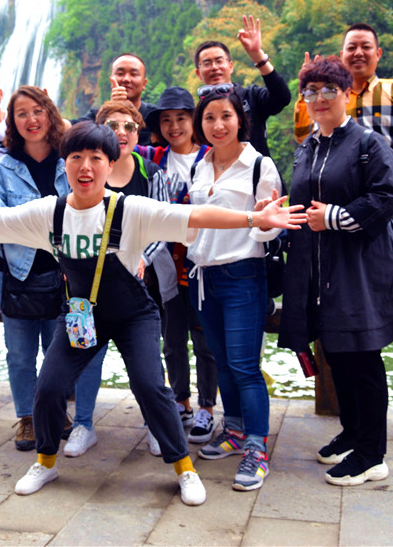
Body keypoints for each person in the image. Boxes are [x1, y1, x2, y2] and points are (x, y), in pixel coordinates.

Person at [0, 120, 307, 505]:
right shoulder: (49, 212)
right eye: (76, 157)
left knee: (151, 387)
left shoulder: (130, 209)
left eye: (96, 158)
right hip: (82, 316)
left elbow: (195, 216)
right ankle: (45, 462)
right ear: (64, 164)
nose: (86, 167)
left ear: (110, 165)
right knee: (49, 388)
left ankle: (184, 468)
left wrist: (256, 218)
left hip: (134, 315)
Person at [279, 56, 393, 486]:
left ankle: (372, 454)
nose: (319, 98)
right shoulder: (309, 146)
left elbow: (385, 200)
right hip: (319, 273)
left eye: (329, 90)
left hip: (358, 271)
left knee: (362, 358)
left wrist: (334, 217)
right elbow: (300, 204)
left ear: (346, 94)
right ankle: (353, 433)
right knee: (337, 355)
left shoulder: (368, 144)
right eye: (311, 91)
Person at [63, 101, 174, 458]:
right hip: (90, 287)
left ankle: (156, 426)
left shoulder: (151, 173)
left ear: (139, 132)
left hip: (142, 285)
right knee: (87, 356)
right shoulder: (87, 171)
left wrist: (142, 256)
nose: (121, 133)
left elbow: (165, 223)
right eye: (112, 125)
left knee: (147, 364)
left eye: (129, 126)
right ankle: (83, 424)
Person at [186, 89, 283, 492]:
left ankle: (257, 448)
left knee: (245, 366)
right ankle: (236, 431)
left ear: (240, 119)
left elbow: (272, 228)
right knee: (222, 362)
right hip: (203, 277)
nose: (218, 125)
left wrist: (264, 222)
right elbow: (192, 221)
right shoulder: (200, 166)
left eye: (225, 116)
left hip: (243, 275)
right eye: (209, 117)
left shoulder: (259, 165)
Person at [293, 23, 393, 278]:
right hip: (339, 184)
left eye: (365, 47)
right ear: (342, 55)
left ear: (378, 53)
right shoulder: (329, 96)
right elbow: (304, 137)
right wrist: (307, 91)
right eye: (351, 47)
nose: (358, 53)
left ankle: (391, 285)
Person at [0, 86, 71, 451]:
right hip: (18, 273)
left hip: (63, 274)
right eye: (21, 114)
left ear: (49, 114)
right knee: (19, 355)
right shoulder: (3, 170)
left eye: (37, 111)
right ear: (12, 122)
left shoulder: (69, 162)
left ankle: (55, 412)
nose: (31, 119)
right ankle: (28, 418)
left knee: (58, 353)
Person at [141, 87, 218, 444]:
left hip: (203, 265)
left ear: (194, 121)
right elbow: (117, 141)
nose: (174, 127)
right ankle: (181, 401)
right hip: (164, 268)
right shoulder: (153, 157)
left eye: (182, 119)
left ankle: (207, 408)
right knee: (171, 340)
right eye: (166, 120)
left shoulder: (211, 157)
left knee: (205, 340)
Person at [193, 15, 292, 158]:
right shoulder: (198, 112)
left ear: (231, 66)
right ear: (198, 73)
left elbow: (282, 97)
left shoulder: (251, 97)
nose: (214, 67)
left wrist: (258, 57)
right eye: (207, 63)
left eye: (219, 61)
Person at [73, 53, 157, 145]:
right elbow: (66, 129)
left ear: (144, 83)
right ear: (111, 80)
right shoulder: (97, 116)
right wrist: (110, 110)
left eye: (134, 74)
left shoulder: (156, 117)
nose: (126, 79)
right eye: (120, 74)